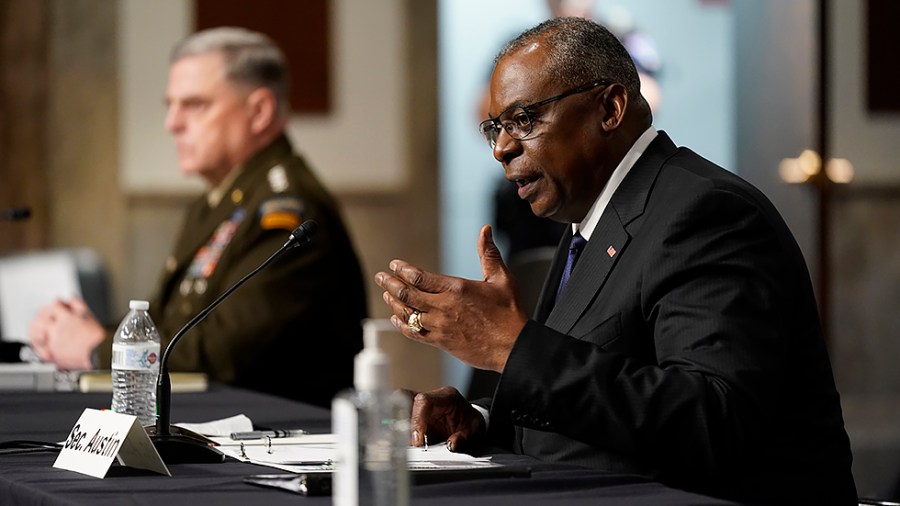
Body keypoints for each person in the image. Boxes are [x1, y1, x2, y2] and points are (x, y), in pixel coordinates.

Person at [375, 17, 857, 504]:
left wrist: (511, 347)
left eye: (524, 120)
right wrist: (480, 419)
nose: (502, 148)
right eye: (495, 128)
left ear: (609, 108)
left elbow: (711, 421)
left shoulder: (706, 212)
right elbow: (597, 391)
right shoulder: (590, 218)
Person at [29, 27, 367, 408]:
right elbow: (169, 325)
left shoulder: (288, 211)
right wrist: (89, 334)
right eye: (170, 105)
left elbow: (224, 353)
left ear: (259, 112)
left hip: (278, 440)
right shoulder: (218, 203)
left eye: (195, 105)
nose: (172, 123)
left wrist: (95, 346)